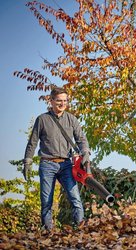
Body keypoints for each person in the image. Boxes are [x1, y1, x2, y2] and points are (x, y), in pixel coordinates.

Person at [22, 87, 90, 231]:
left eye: (65, 100)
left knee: (75, 199)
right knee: (46, 201)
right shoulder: (42, 119)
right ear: (51, 101)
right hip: (47, 164)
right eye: (59, 100)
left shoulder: (72, 119)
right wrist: (27, 161)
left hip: (66, 164)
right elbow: (32, 142)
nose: (62, 103)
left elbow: (82, 140)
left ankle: (81, 231)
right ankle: (48, 232)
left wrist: (85, 153)